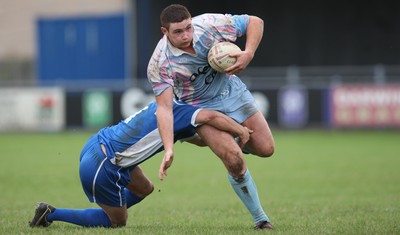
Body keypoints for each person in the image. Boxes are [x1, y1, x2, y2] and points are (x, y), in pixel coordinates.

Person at [147, 4, 275, 229]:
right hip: (198, 108)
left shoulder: (207, 25)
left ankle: (228, 139)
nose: (186, 35)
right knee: (234, 159)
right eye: (178, 32)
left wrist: (248, 53)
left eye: (188, 28)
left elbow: (255, 21)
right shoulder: (160, 63)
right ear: (164, 32)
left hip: (230, 91)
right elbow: (165, 109)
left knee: (266, 149)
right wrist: (169, 148)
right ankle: (261, 220)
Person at [29, 100, 252, 228]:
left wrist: (229, 143)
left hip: (98, 145)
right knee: (117, 222)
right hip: (104, 164)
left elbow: (200, 140)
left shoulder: (167, 104)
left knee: (145, 188)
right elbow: (211, 117)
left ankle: (114, 204)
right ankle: (49, 214)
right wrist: (240, 130)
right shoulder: (182, 110)